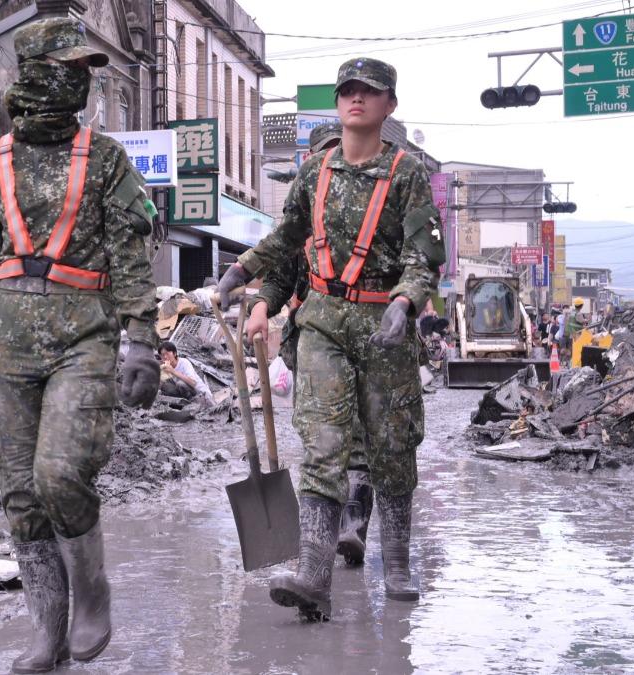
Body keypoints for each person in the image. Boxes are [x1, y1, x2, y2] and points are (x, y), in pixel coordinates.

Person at [0, 18, 159, 673]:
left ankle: (93, 590)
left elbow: (130, 256)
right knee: (21, 494)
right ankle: (47, 632)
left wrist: (143, 340)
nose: (80, 79)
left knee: (60, 474)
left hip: (83, 337)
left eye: (85, 70)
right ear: (34, 71)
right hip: (9, 343)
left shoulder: (104, 159)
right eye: (68, 66)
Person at [216, 57, 443, 621]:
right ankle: (314, 574)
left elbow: (423, 258)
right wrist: (242, 270)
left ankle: (397, 563)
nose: (356, 99)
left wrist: (405, 302)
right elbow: (288, 235)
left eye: (369, 91)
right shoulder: (315, 170)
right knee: (322, 445)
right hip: (321, 322)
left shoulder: (407, 174)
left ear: (389, 105)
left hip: (383, 324)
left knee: (391, 447)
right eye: (347, 91)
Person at [256, 120, 376, 567]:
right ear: (311, 161)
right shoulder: (300, 216)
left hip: (367, 336)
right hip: (314, 339)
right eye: (324, 153)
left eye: (338, 150)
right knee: (320, 435)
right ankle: (318, 547)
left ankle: (353, 527)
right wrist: (262, 306)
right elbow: (279, 276)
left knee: (360, 435)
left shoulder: (374, 206)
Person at [158, 341, 215, 405]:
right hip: (183, 394)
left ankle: (193, 402)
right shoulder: (165, 368)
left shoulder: (184, 363)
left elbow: (193, 383)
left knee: (180, 384)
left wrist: (173, 371)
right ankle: (183, 404)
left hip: (201, 394)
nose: (165, 357)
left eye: (167, 354)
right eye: (162, 355)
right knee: (165, 386)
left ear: (174, 354)